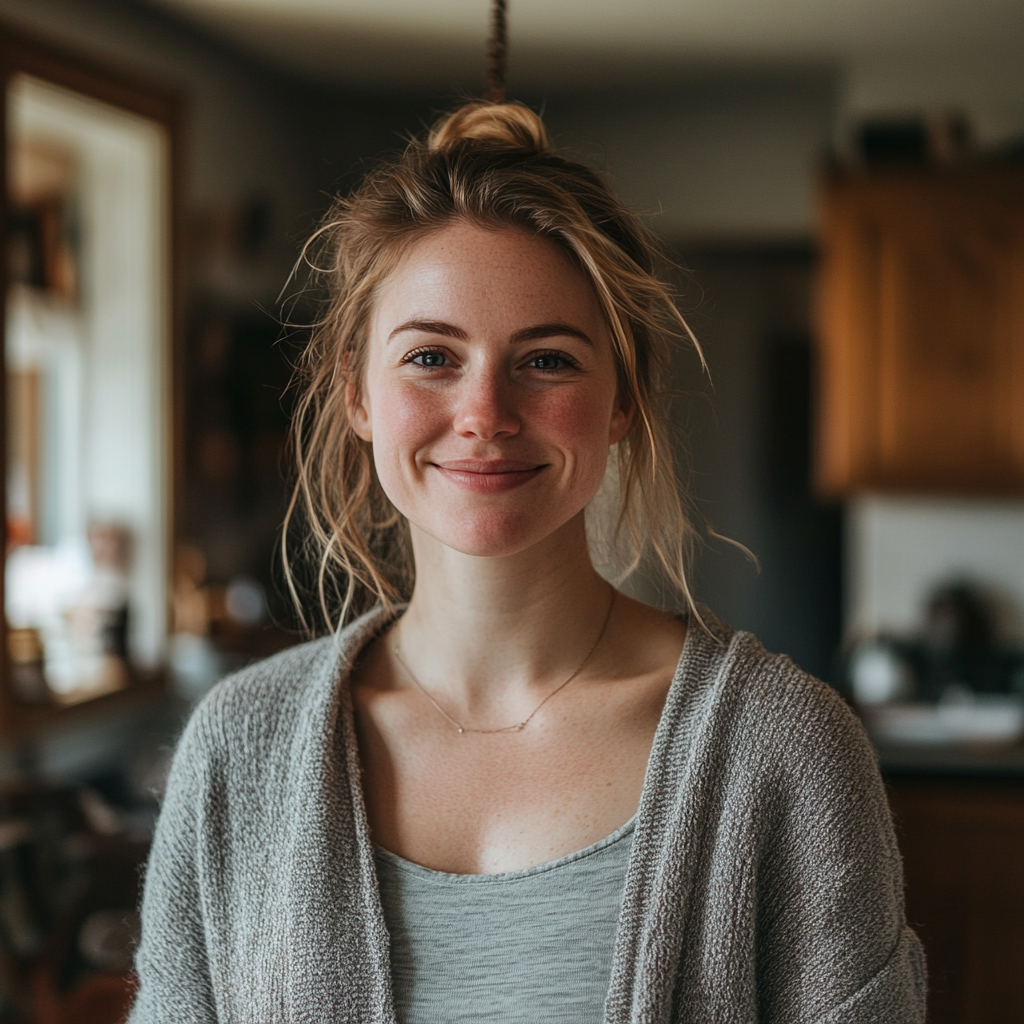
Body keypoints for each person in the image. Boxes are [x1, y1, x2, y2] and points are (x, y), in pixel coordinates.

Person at [129, 102, 926, 1023]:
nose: (484, 414)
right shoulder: (236, 750)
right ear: (356, 395)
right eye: (431, 355)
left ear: (623, 399)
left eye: (545, 361)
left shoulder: (788, 753)